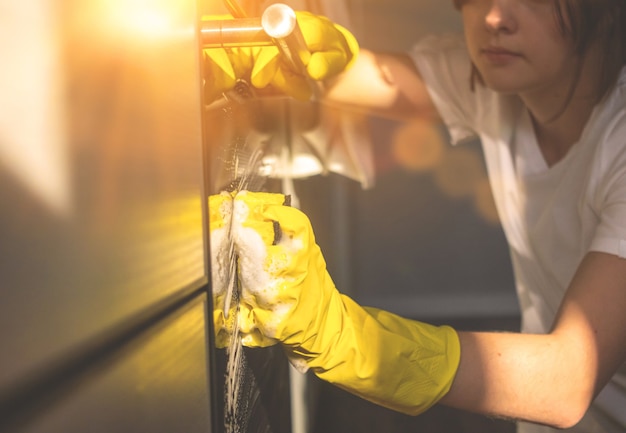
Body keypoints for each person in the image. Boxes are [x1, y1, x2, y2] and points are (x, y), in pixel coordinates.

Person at [206, 1, 626, 432]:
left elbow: (567, 380)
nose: (495, 19)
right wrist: (260, 44)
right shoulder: (497, 79)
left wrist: (343, 336)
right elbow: (354, 78)